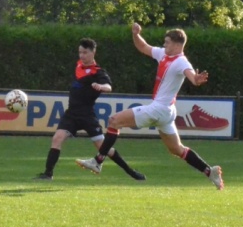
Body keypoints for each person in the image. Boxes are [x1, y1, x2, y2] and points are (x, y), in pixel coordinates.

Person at [76, 23, 224, 190]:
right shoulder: (163, 54)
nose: (164, 45)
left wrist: (196, 79)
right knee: (177, 149)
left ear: (177, 44)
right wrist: (135, 34)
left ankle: (97, 161)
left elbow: (192, 77)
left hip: (159, 109)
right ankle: (209, 171)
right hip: (167, 112)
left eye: (167, 42)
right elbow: (143, 47)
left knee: (114, 121)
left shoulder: (182, 61)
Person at [34, 38, 145, 181]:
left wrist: (101, 87)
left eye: (85, 52)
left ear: (93, 52)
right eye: (80, 52)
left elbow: (109, 87)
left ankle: (131, 172)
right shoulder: (78, 66)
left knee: (103, 148)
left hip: (87, 115)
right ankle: (48, 174)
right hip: (72, 114)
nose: (81, 55)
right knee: (57, 138)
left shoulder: (98, 72)